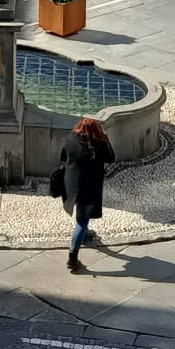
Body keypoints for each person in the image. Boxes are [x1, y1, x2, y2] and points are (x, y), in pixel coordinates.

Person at [59, 117, 116, 272]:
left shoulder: (70, 138)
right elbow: (112, 158)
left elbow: (63, 157)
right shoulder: (98, 145)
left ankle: (84, 236)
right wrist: (106, 139)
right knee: (82, 221)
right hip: (88, 187)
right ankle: (72, 258)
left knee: (81, 213)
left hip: (71, 184)